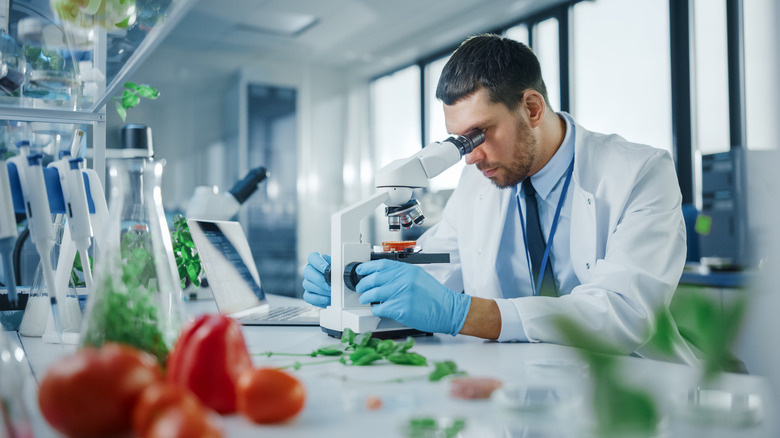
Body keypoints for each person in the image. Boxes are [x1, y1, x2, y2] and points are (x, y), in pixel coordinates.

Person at [303, 34, 696, 364]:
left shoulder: (641, 172)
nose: (472, 155)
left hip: (635, 385)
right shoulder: (480, 183)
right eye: (460, 140)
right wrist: (353, 283)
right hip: (521, 379)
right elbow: (430, 273)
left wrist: (466, 314)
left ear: (532, 108)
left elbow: (624, 313)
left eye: (480, 133)